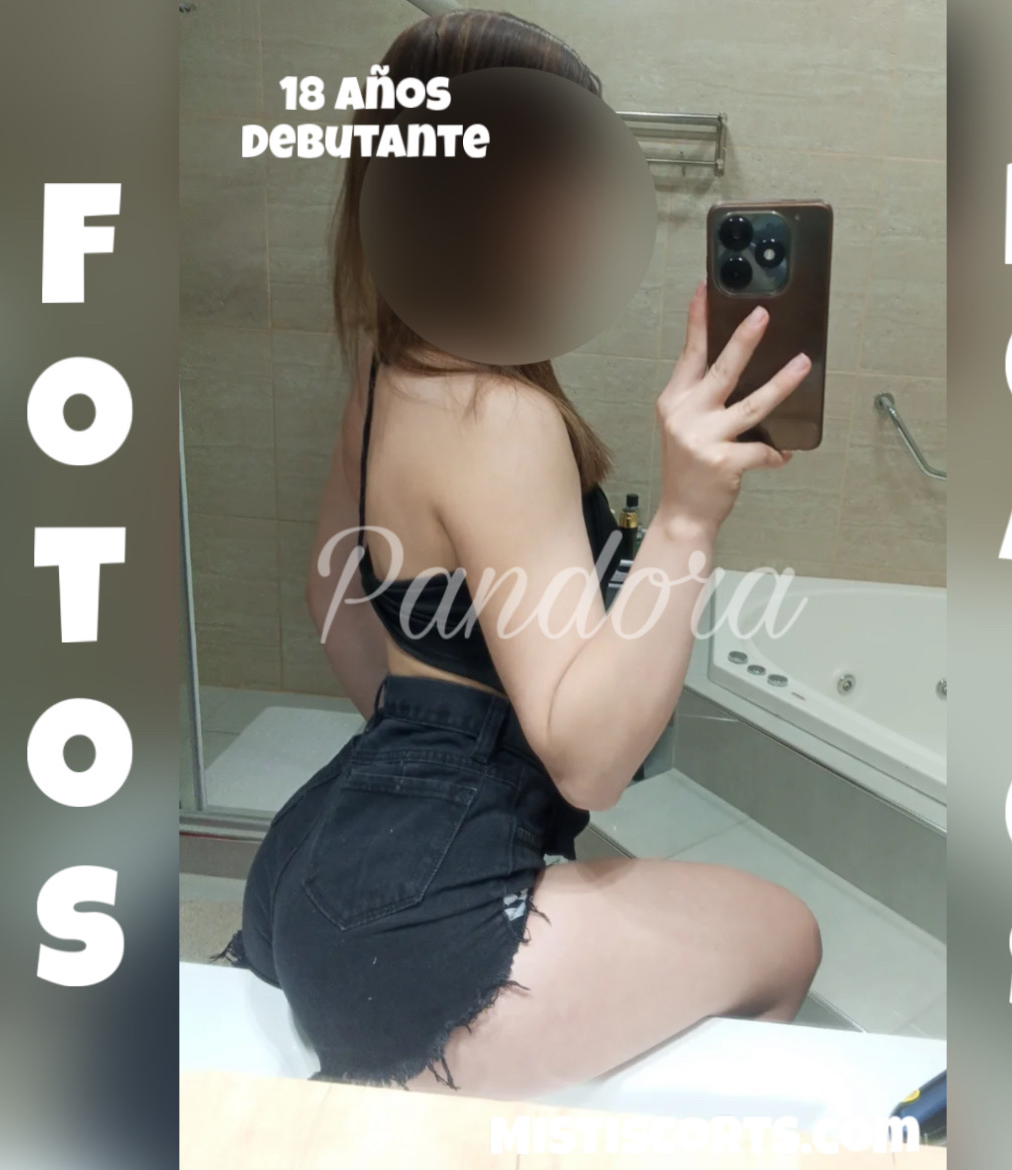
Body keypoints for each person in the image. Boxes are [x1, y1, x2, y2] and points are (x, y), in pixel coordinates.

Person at [222, 9, 821, 1099]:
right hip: (408, 931)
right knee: (785, 938)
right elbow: (590, 766)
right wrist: (687, 517)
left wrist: (434, 756)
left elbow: (334, 597)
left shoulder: (392, 374)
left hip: (313, 856)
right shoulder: (499, 415)